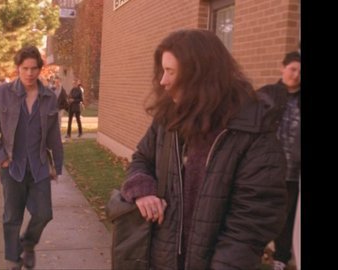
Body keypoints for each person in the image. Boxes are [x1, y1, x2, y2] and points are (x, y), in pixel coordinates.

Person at [118, 29, 288, 269]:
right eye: (162, 71)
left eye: (171, 72)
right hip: (163, 259)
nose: (162, 81)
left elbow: (253, 220)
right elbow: (142, 159)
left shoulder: (252, 131)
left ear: (200, 75)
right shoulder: (168, 118)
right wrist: (143, 188)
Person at [0, 45, 64, 270]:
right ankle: (14, 259)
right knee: (12, 216)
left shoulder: (48, 97)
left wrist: (56, 166)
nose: (29, 73)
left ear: (40, 69)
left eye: (34, 69)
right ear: (17, 69)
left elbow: (54, 136)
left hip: (38, 166)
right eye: (25, 68)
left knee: (44, 213)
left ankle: (28, 244)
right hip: (12, 166)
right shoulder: (2, 94)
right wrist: (3, 159)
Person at [257, 51, 301, 270]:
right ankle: (252, 251)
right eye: (292, 69)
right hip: (267, 171)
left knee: (286, 218)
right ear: (282, 68)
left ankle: (280, 259)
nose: (296, 75)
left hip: (293, 174)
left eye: (300, 71)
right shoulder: (267, 96)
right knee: (260, 212)